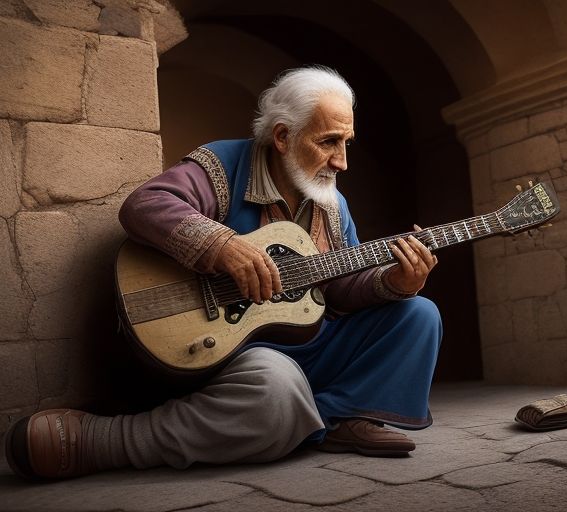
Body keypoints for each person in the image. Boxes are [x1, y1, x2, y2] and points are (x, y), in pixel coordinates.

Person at [4, 66, 442, 480]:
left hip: (304, 347)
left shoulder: (332, 203)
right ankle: (105, 441)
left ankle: (332, 419)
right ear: (284, 136)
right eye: (329, 142)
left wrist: (393, 283)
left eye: (347, 143)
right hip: (231, 358)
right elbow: (144, 205)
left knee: (418, 313)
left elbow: (340, 291)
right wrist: (222, 245)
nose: (341, 162)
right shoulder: (223, 163)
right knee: (273, 387)